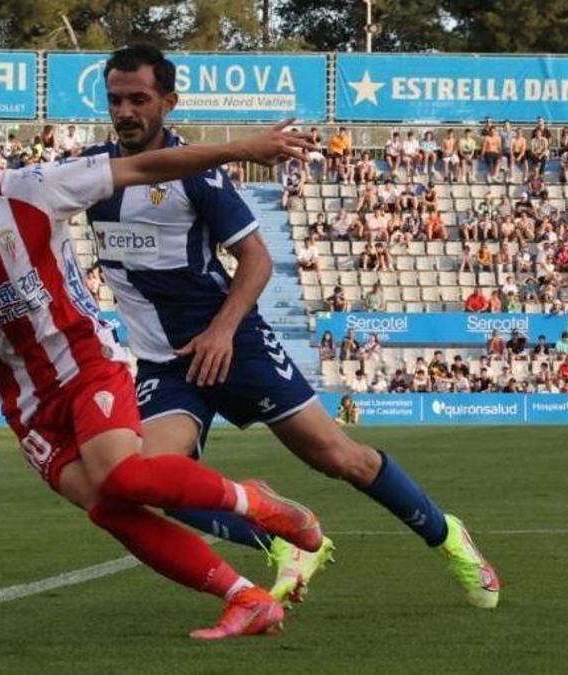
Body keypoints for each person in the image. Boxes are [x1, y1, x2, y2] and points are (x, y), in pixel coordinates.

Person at [0, 89, 324, 639]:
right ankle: (246, 598)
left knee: (124, 475)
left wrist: (242, 147)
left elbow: (149, 165)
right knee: (108, 507)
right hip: (29, 407)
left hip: (87, 365)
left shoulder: (36, 189)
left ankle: (257, 503)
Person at [81, 44, 498, 611]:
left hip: (233, 345)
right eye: (115, 100)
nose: (125, 111)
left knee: (340, 458)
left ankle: (448, 536)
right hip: (165, 361)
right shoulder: (91, 174)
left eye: (139, 99)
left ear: (169, 103)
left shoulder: (199, 176)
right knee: (149, 481)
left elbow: (257, 259)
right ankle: (284, 537)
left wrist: (224, 330)